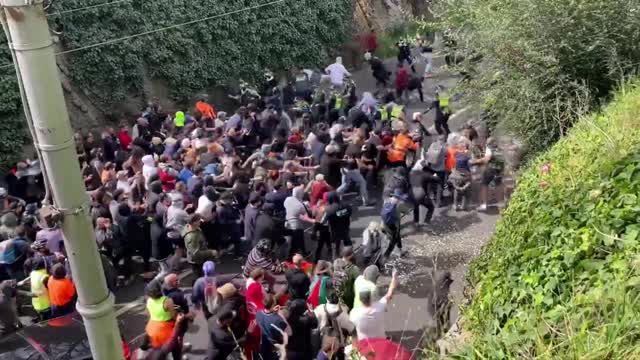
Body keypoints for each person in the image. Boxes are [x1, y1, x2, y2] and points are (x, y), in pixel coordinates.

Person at [349, 269, 398, 340]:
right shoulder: (380, 306)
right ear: (370, 298)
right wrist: (394, 277)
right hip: (380, 339)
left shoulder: (354, 313)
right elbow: (390, 292)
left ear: (360, 299)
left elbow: (351, 329)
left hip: (364, 342)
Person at [314, 291, 355, 360]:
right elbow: (351, 329)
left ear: (326, 299)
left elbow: (314, 324)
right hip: (338, 345)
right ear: (338, 299)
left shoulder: (319, 309)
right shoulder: (344, 312)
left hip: (323, 342)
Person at [284, 186, 315, 257]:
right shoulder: (300, 205)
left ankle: (303, 252)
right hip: (296, 226)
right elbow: (304, 217)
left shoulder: (287, 199)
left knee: (299, 240)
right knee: (294, 243)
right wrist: (313, 221)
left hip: (287, 224)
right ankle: (290, 258)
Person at [256, 294, 290, 360]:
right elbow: (289, 332)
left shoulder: (258, 313)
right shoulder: (277, 320)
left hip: (264, 344)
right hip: (275, 347)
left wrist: (272, 311)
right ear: (272, 304)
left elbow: (266, 316)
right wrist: (280, 314)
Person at [321, 192, 353, 259]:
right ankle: (350, 257)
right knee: (347, 242)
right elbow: (349, 213)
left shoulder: (329, 209)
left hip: (334, 231)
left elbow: (322, 221)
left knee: (335, 246)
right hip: (345, 228)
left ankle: (336, 260)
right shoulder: (347, 206)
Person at [29, 256, 51, 321]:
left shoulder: (32, 273)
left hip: (36, 303)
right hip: (45, 304)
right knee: (46, 321)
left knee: (41, 318)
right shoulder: (45, 277)